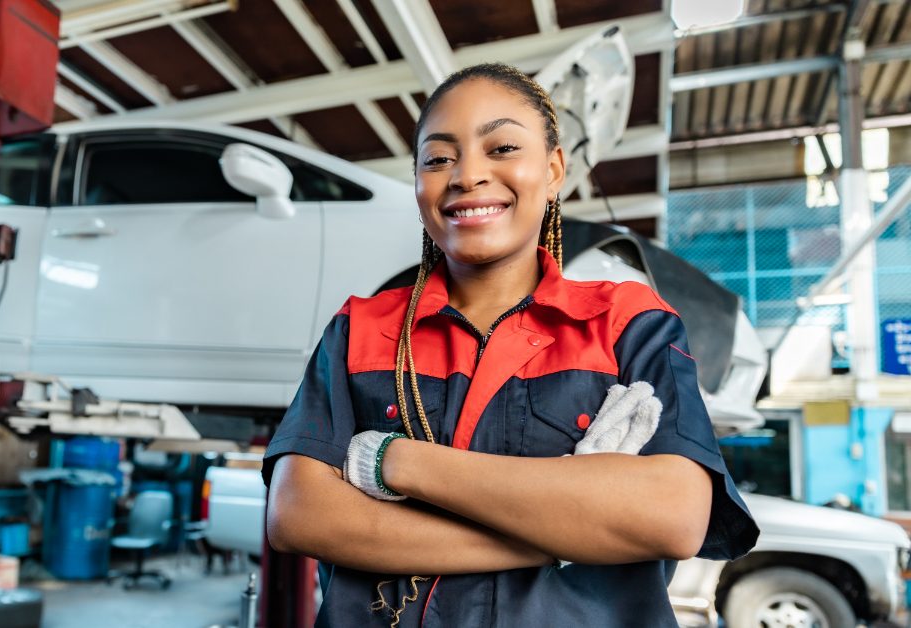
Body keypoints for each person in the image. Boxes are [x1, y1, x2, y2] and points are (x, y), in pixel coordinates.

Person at [262, 63, 759, 628]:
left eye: (501, 147)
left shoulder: (626, 321)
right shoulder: (360, 328)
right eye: (439, 158)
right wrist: (572, 529)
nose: (467, 175)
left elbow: (673, 517)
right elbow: (298, 514)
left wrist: (394, 460)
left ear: (552, 171)